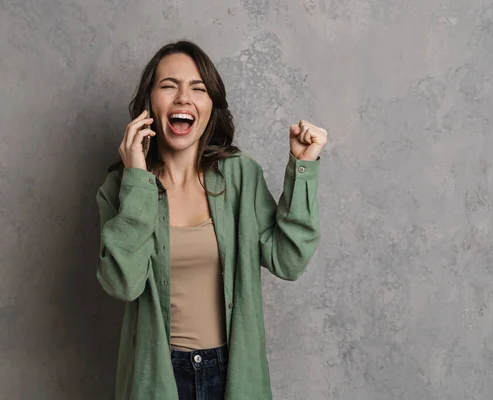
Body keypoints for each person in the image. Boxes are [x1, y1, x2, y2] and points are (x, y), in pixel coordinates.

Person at [96, 40, 327, 400]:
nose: (183, 98)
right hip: (159, 376)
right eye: (168, 86)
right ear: (148, 104)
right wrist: (138, 180)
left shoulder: (240, 176)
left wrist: (304, 168)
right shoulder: (120, 188)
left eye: (198, 89)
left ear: (210, 106)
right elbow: (123, 284)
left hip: (231, 374)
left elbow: (288, 260)